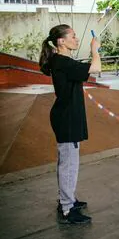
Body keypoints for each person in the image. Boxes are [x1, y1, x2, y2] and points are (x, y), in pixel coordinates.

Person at [39, 24, 101, 225]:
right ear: (61, 41)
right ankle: (67, 208)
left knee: (67, 162)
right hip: (66, 119)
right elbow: (96, 68)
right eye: (73, 36)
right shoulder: (63, 62)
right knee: (69, 164)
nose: (76, 39)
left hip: (67, 116)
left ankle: (67, 199)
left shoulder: (62, 61)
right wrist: (94, 50)